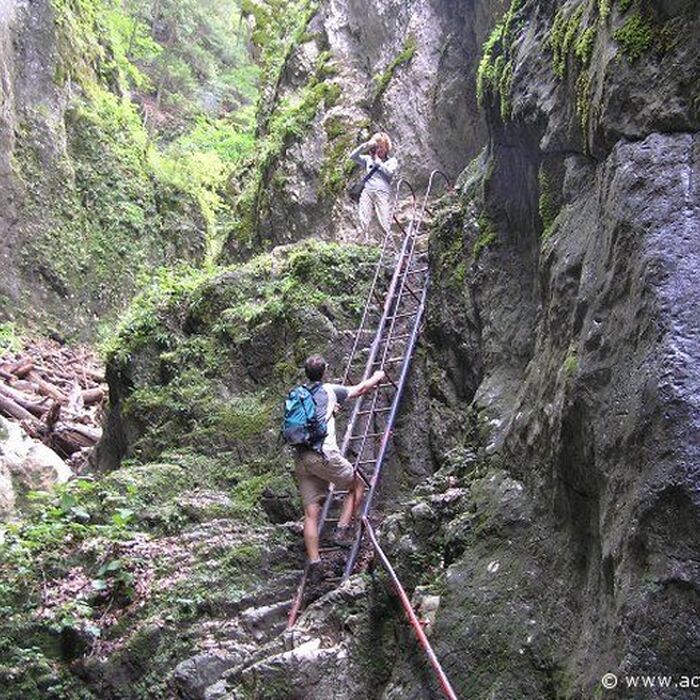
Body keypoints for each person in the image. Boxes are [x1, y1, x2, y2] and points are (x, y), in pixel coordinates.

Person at [293, 354, 385, 582]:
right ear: (324, 372)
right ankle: (342, 530)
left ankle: (315, 563)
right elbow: (361, 389)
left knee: (311, 513)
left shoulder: (299, 394)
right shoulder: (330, 390)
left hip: (302, 457)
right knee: (357, 485)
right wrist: (377, 376)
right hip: (324, 454)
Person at [349, 132, 398, 244]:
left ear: (387, 147)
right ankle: (361, 242)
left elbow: (389, 173)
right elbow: (352, 156)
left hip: (382, 191)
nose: (379, 149)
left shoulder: (392, 161)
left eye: (382, 147)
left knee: (384, 217)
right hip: (367, 190)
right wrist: (366, 145)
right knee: (363, 215)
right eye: (377, 147)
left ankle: (389, 243)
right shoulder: (368, 159)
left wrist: (377, 160)